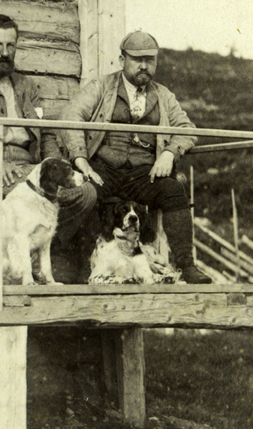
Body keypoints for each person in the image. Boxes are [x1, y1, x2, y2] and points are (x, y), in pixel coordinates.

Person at [0, 14, 98, 283]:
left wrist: (53, 161)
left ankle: (43, 252)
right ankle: (31, 261)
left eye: (11, 46)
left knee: (86, 193)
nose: (4, 53)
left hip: (29, 166)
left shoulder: (27, 87)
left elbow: (45, 134)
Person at [59, 30, 212, 284]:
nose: (144, 66)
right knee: (88, 193)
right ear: (122, 60)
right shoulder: (102, 87)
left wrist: (169, 153)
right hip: (104, 169)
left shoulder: (163, 95)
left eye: (150, 60)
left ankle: (186, 265)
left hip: (143, 174)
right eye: (136, 59)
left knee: (173, 190)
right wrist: (81, 160)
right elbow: (70, 116)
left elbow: (187, 129)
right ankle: (79, 266)